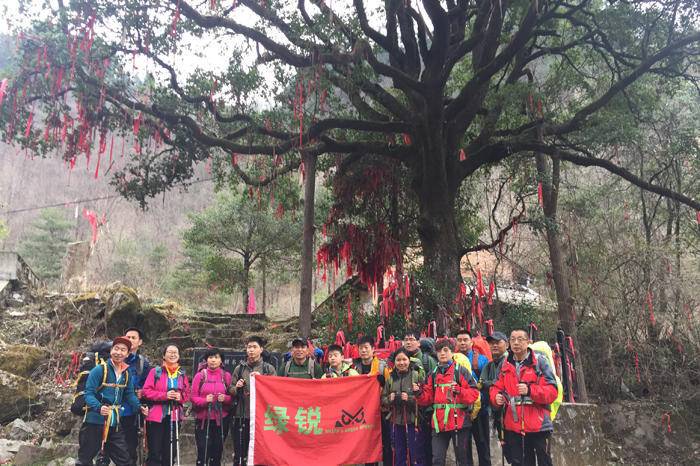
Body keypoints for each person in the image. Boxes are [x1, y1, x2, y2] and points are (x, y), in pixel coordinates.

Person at [76, 336, 148, 466]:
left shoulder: (126, 374)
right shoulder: (99, 370)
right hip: (94, 421)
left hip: (114, 423)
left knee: (124, 460)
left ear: (127, 353)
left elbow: (129, 394)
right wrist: (99, 407)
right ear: (111, 351)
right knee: (85, 460)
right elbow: (89, 393)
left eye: (123, 350)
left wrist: (139, 407)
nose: (119, 352)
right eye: (116, 348)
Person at [490, 329, 558, 466]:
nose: (516, 343)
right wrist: (496, 397)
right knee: (519, 462)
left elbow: (552, 391)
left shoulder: (540, 363)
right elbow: (496, 387)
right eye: (513, 339)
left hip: (538, 424)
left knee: (544, 461)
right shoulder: (504, 365)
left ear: (528, 342)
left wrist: (530, 390)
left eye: (520, 339)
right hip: (513, 424)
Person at [414, 338, 480, 466]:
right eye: (439, 351)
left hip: (459, 422)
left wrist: (459, 391)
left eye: (445, 350)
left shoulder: (461, 371)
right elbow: (427, 398)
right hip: (439, 422)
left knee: (462, 459)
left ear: (452, 352)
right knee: (437, 459)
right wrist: (419, 393)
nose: (442, 353)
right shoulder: (432, 374)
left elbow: (474, 393)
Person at [229, 336, 277, 466]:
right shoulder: (239, 369)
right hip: (241, 415)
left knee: (261, 451)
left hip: (261, 418)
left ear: (261, 349)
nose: (251, 350)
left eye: (254, 347)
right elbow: (230, 390)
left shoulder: (268, 369)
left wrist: (263, 380)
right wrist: (237, 387)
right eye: (249, 347)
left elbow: (275, 391)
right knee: (240, 452)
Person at [142, 344, 190, 466]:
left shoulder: (181, 374)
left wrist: (180, 397)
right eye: (170, 352)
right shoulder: (155, 372)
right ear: (164, 355)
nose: (173, 354)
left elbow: (187, 393)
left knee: (170, 452)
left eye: (176, 352)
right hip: (156, 417)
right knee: (155, 451)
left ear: (179, 356)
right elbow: (146, 392)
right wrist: (165, 395)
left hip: (174, 416)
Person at [352, 335, 392, 466]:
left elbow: (391, 387)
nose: (363, 351)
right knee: (368, 444)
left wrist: (381, 384)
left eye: (366, 348)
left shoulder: (382, 367)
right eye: (361, 348)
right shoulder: (354, 368)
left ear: (373, 349)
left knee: (386, 442)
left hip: (381, 411)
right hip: (362, 413)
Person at [191, 347, 233, 466]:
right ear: (206, 360)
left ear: (221, 361)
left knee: (217, 452)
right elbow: (193, 397)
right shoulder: (200, 376)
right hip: (203, 420)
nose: (213, 360)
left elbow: (232, 398)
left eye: (216, 357)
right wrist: (205, 401)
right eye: (210, 357)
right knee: (203, 452)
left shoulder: (226, 376)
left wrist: (225, 398)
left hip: (221, 420)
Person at [382, 348, 424, 466]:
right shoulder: (390, 378)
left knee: (415, 452)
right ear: (394, 362)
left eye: (404, 359)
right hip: (395, 421)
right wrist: (389, 399)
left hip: (413, 420)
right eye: (398, 360)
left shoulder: (416, 376)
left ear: (409, 360)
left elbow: (424, 398)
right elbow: (383, 399)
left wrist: (410, 398)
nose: (401, 363)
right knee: (398, 453)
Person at [402, 330, 436, 464]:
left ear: (418, 342)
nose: (409, 342)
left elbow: (434, 385)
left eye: (411, 339)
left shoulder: (428, 361)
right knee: (413, 448)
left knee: (427, 448)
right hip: (408, 411)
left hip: (425, 412)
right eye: (406, 340)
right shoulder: (401, 359)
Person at [456, 330, 490, 466]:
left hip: (480, 411)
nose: (462, 342)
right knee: (464, 449)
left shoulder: (482, 360)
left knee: (483, 446)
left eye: (465, 339)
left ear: (471, 342)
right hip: (462, 411)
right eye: (460, 340)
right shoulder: (453, 359)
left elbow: (487, 384)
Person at [122, 327, 151, 466]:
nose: (130, 340)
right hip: (112, 409)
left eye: (134, 337)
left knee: (130, 449)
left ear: (140, 342)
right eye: (128, 337)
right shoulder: (114, 357)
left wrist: (142, 392)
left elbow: (148, 384)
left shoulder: (143, 363)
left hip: (131, 411)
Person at [480, 332, 509, 463]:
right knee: (507, 450)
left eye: (498, 342)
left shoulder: (510, 362)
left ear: (507, 344)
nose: (494, 345)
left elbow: (505, 384)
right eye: (492, 343)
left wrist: (489, 384)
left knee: (515, 452)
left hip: (511, 412)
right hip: (497, 412)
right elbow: (481, 383)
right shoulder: (489, 365)